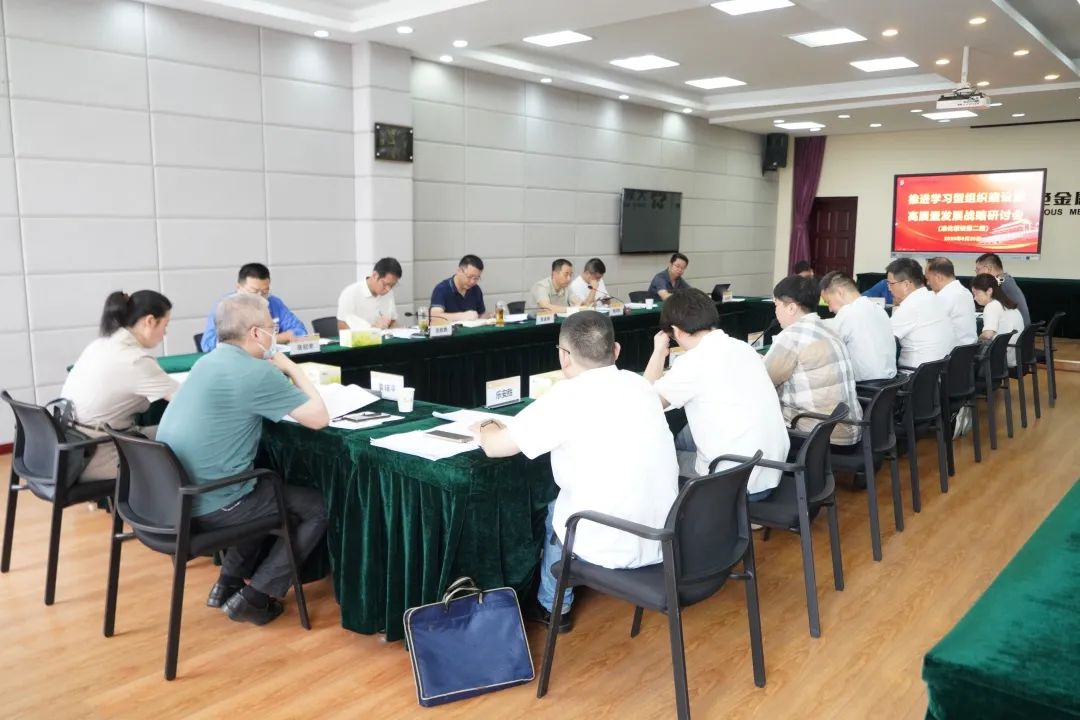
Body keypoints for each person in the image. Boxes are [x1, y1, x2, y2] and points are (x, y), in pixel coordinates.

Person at [473, 312, 678, 633]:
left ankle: (554, 606)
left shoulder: (564, 397)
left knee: (555, 508)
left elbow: (495, 447)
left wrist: (486, 424)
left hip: (613, 540)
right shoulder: (639, 385)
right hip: (664, 535)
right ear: (616, 350)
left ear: (563, 356)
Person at [157, 293, 330, 626]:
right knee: (316, 507)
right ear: (255, 333)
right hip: (211, 502)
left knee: (260, 489)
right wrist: (291, 366)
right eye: (271, 328)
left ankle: (228, 582)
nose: (273, 333)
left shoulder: (206, 362)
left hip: (176, 497)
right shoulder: (256, 372)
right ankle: (257, 596)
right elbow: (319, 418)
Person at [645, 289, 789, 499]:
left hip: (734, 481)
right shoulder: (743, 348)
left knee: (657, 458)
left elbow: (646, 403)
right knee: (683, 434)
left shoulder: (693, 362)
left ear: (676, 331)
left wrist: (658, 352)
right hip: (772, 468)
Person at [61, 291, 179, 480]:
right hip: (97, 456)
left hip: (69, 449)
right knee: (184, 437)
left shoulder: (98, 345)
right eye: (165, 325)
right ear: (150, 321)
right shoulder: (135, 360)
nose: (165, 333)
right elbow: (185, 400)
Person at [764, 275, 862, 445]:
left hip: (817, 438)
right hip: (848, 430)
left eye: (776, 305)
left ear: (791, 308)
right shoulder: (830, 329)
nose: (775, 312)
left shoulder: (791, 336)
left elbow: (763, 380)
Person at [200, 263, 306, 352]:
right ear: (238, 287)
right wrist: (276, 339)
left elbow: (300, 331)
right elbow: (208, 344)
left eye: (265, 292)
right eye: (253, 292)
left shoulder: (274, 302)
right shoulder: (224, 307)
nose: (260, 297)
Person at [819, 271, 897, 382]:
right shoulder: (878, 309)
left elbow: (826, 350)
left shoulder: (847, 312)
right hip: (888, 384)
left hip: (864, 386)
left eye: (828, 302)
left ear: (840, 292)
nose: (830, 309)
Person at [886, 258, 956, 368]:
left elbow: (883, 338)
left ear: (906, 284)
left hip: (915, 373)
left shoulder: (910, 305)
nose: (889, 288)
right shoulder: (934, 297)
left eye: (891, 284)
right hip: (941, 370)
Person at [972, 273, 1024, 367]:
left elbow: (987, 335)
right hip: (1016, 355)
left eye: (977, 293)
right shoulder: (1008, 304)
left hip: (1003, 358)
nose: (975, 298)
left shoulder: (992, 306)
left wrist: (975, 342)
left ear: (989, 291)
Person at [336, 257, 401, 330]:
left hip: (383, 336)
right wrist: (373, 330)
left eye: (392, 285)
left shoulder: (389, 293)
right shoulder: (350, 293)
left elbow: (392, 321)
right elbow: (343, 328)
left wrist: (398, 330)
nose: (388, 289)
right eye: (385, 284)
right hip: (361, 337)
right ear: (375, 275)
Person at [925, 257, 977, 345]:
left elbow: (928, 328)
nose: (928, 283)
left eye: (928, 279)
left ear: (938, 277)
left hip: (950, 350)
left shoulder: (943, 297)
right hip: (969, 349)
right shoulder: (966, 292)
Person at [974, 253, 1030, 327]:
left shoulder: (1001, 283)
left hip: (1017, 330)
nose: (977, 274)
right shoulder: (1006, 279)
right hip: (1021, 328)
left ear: (989, 269)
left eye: (978, 270)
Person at [430, 254, 486, 322]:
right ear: (459, 271)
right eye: (469, 277)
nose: (472, 282)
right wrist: (463, 316)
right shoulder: (441, 289)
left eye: (476, 278)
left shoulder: (476, 289)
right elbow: (434, 317)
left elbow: (480, 315)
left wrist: (490, 316)